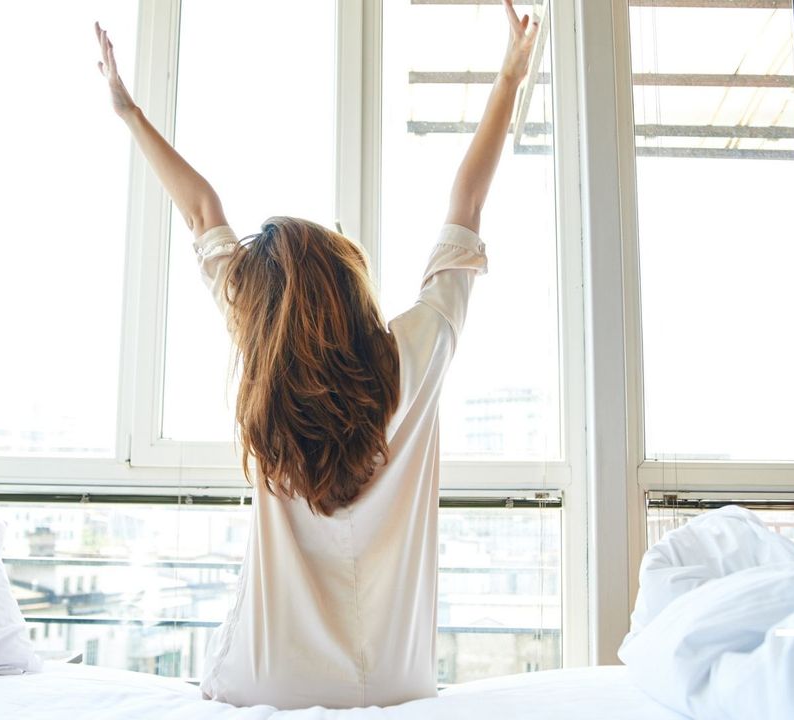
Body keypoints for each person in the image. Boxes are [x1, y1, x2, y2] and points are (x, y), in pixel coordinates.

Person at [95, 1, 539, 709]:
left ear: (264, 307)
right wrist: (510, 81)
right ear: (348, 277)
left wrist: (127, 111)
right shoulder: (414, 355)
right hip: (393, 682)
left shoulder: (261, 359)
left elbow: (202, 210)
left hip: (268, 678)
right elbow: (467, 203)